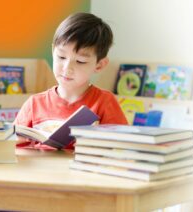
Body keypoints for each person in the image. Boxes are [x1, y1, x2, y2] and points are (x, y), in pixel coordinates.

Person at [14, 12, 128, 149]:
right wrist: (15, 140)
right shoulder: (34, 104)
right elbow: (13, 146)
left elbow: (122, 147)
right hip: (43, 169)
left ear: (99, 65)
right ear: (53, 51)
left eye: (80, 61)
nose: (67, 69)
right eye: (61, 57)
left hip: (84, 169)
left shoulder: (104, 102)